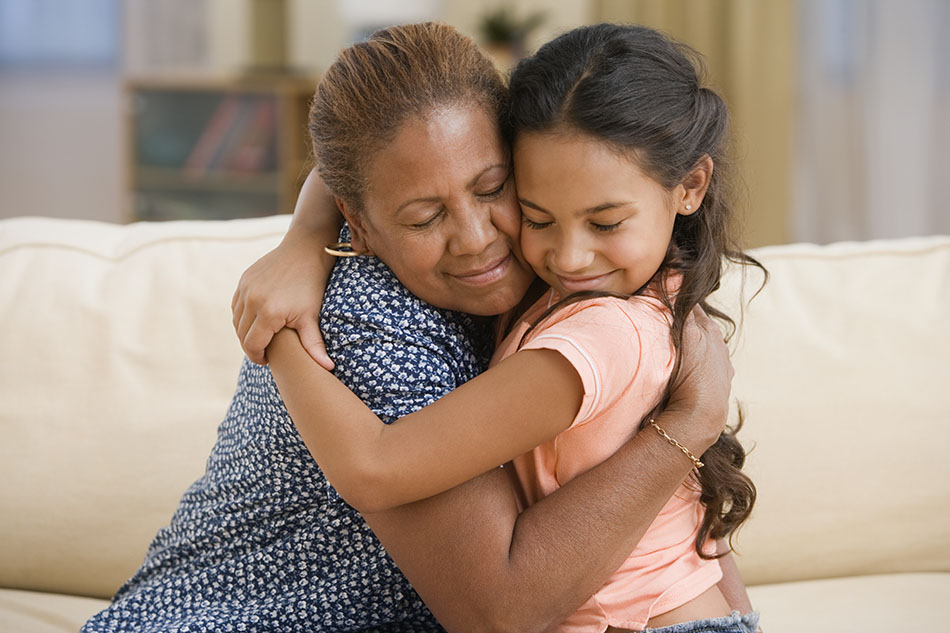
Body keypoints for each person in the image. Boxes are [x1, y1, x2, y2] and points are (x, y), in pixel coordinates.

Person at [84, 23, 744, 633]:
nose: (478, 239)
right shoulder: (374, 322)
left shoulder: (581, 268)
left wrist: (307, 231)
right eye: (425, 218)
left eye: (494, 188)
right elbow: (491, 602)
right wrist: (283, 326)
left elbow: (681, 513)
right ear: (361, 224)